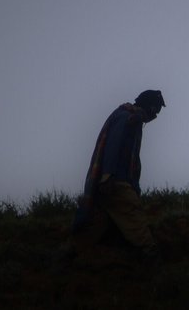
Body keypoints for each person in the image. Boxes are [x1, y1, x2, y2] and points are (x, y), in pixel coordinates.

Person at [69, 89, 166, 264]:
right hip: (116, 182)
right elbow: (115, 143)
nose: (155, 116)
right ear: (150, 107)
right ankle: (152, 259)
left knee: (99, 223)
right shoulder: (131, 118)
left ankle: (69, 255)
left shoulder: (123, 114)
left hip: (105, 182)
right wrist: (109, 175)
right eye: (156, 110)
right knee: (132, 214)